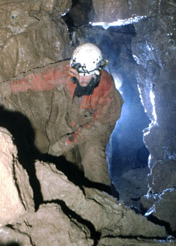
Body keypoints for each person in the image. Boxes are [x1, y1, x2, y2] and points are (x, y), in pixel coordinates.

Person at [7, 43, 123, 187]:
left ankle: (102, 196)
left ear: (97, 72)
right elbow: (39, 79)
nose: (81, 79)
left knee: (92, 153)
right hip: (75, 116)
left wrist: (67, 142)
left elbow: (98, 124)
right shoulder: (69, 70)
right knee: (59, 142)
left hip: (98, 124)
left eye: (87, 76)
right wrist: (7, 88)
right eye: (78, 74)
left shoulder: (106, 87)